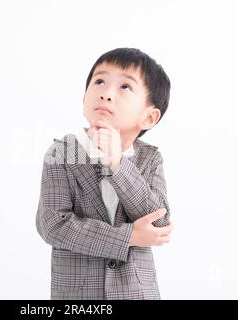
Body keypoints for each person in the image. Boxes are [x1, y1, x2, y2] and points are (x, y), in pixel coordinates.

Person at [36, 48, 173, 300]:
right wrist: (128, 236)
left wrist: (118, 164)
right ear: (84, 98)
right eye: (99, 81)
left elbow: (160, 224)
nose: (106, 93)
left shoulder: (150, 158)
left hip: (137, 293)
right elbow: (53, 225)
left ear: (149, 117)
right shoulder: (62, 152)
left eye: (125, 87)